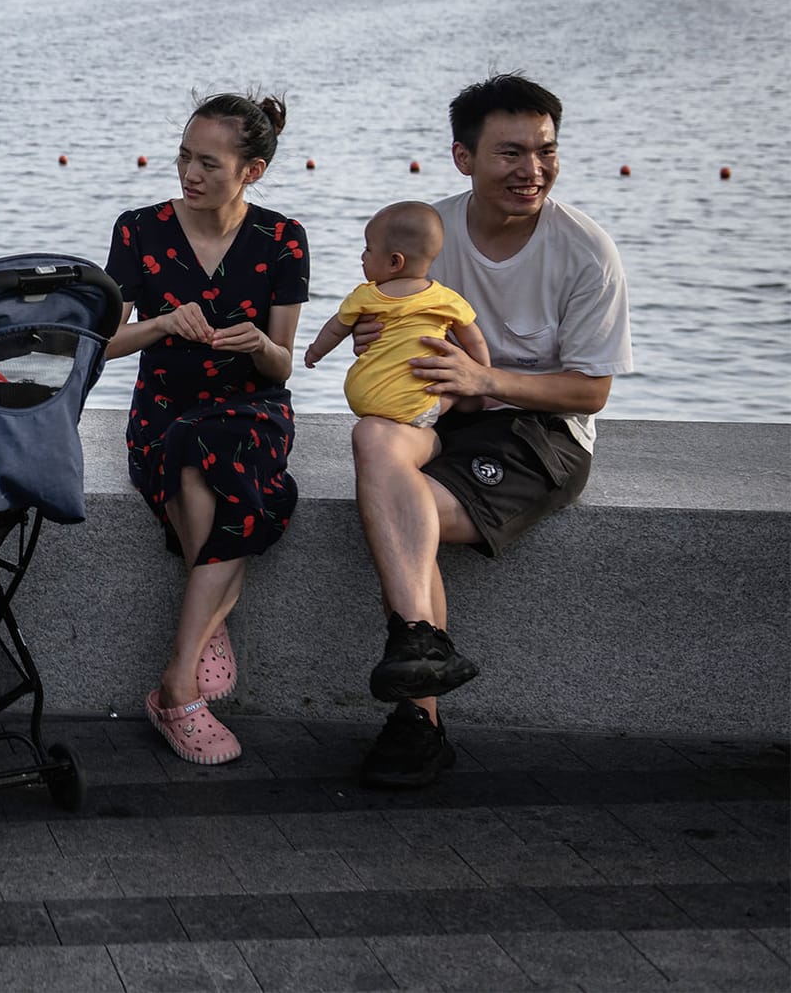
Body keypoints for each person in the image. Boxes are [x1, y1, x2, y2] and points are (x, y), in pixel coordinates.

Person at [351, 73, 631, 789]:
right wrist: (377, 342)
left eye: (545, 150)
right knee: (372, 439)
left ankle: (418, 720)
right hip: (447, 418)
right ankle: (422, 644)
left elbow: (591, 389)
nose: (531, 170)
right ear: (462, 157)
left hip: (542, 435)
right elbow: (381, 336)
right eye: (510, 153)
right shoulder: (425, 238)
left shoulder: (586, 251)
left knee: (402, 515)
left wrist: (487, 380)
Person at [103, 93, 307, 766]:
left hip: (253, 408)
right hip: (163, 407)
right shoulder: (139, 229)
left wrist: (255, 345)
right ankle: (206, 623)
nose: (190, 173)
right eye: (185, 156)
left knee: (214, 447)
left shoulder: (283, 238)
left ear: (252, 171)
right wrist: (161, 324)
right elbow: (99, 342)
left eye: (209, 163)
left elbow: (282, 364)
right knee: (190, 446)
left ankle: (177, 679)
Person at [303, 201, 492, 430]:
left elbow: (335, 329)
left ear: (395, 261)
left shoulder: (365, 296)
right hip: (417, 407)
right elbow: (475, 339)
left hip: (363, 398)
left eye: (368, 249)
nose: (362, 257)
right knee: (455, 395)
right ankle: (455, 400)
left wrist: (315, 352)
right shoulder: (447, 300)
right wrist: (482, 373)